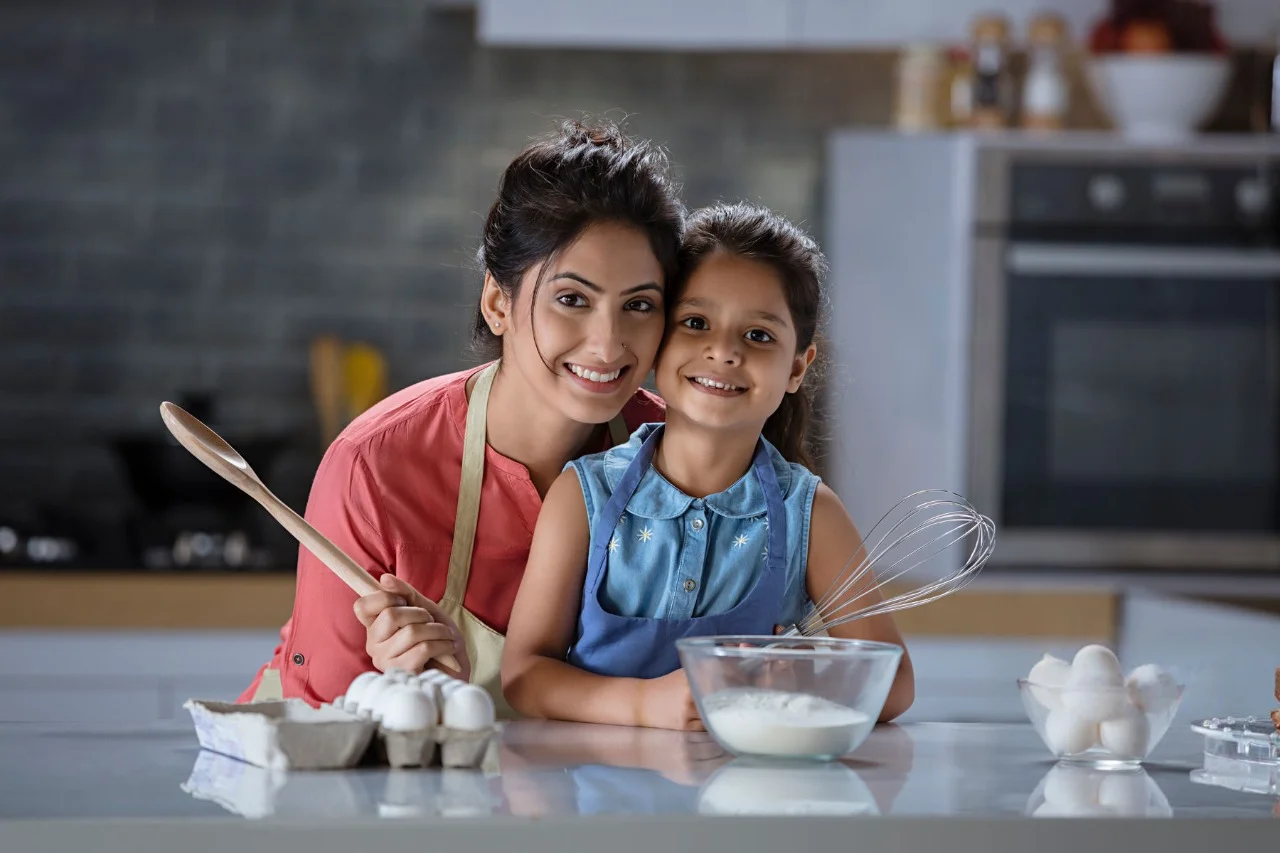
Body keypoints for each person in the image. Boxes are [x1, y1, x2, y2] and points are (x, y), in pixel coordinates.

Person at [238, 119, 686, 716]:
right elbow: (315, 728)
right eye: (571, 300)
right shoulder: (376, 465)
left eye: (638, 305)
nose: (608, 345)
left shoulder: (677, 457)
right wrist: (392, 686)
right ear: (499, 302)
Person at [501, 202, 916, 729]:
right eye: (696, 323)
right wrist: (642, 706)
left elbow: (895, 682)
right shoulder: (584, 495)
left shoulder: (810, 512)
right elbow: (524, 676)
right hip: (588, 797)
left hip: (743, 798)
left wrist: (799, 677)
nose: (723, 352)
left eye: (759, 335)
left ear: (796, 368)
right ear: (658, 341)